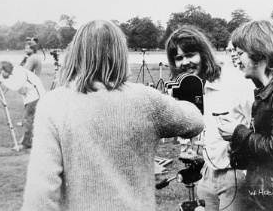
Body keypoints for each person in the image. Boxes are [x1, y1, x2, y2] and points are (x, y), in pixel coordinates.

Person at [20, 20, 205, 211]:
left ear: (75, 53)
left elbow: (41, 191)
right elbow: (195, 122)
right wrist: (186, 89)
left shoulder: (53, 104)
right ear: (120, 54)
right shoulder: (146, 100)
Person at [165, 25, 254, 211]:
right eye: (179, 58)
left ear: (204, 53)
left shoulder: (235, 81)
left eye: (190, 55)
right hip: (206, 173)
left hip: (235, 175)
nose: (185, 62)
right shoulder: (189, 88)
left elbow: (259, 126)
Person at [218, 19, 273, 210]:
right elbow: (266, 148)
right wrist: (239, 146)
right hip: (267, 199)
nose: (237, 60)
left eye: (240, 53)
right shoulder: (270, 89)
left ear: (259, 52)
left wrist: (238, 133)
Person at [0, 61, 46, 150]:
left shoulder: (19, 72)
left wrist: (2, 79)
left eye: (1, 72)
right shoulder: (13, 72)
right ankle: (31, 140)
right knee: (31, 119)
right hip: (30, 97)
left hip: (36, 96)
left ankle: (26, 143)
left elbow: (16, 87)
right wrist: (0, 81)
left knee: (27, 119)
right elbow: (9, 84)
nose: (1, 74)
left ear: (5, 70)